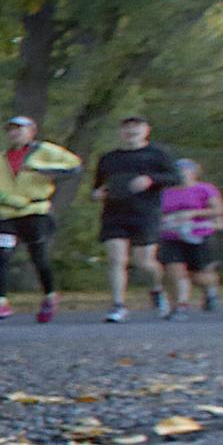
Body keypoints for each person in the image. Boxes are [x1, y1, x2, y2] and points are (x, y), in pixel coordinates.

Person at [0, 115, 81, 323]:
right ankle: (0, 302)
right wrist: (5, 198)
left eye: (19, 129)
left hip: (35, 210)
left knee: (38, 256)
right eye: (11, 130)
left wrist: (41, 169)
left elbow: (74, 166)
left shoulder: (45, 150)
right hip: (7, 213)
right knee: (2, 255)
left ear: (32, 131)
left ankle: (50, 296)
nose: (14, 133)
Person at [92, 116, 179, 323]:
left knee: (145, 262)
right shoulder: (109, 158)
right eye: (127, 127)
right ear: (121, 132)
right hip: (114, 213)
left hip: (145, 213)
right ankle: (118, 305)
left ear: (146, 130)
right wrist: (97, 193)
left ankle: (157, 289)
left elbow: (176, 178)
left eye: (136, 127)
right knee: (116, 259)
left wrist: (151, 180)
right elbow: (97, 186)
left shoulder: (158, 154)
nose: (131, 131)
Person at [158, 159, 223, 318]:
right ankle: (181, 306)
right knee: (175, 269)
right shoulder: (165, 192)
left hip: (199, 234)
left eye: (185, 170)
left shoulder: (205, 189)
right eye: (178, 171)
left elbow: (219, 210)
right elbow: (157, 212)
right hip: (171, 235)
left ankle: (210, 290)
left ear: (194, 172)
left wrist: (192, 214)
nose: (181, 174)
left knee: (199, 276)